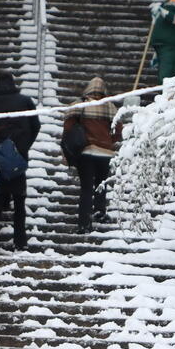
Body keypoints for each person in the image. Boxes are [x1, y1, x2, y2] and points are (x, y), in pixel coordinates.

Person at [0, 72, 41, 254]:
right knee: (19, 201)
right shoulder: (25, 101)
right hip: (18, 157)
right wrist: (23, 147)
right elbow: (36, 125)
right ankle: (20, 241)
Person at [63, 77, 122, 234]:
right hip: (105, 153)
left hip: (87, 152)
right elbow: (118, 131)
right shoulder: (110, 106)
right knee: (101, 184)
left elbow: (68, 126)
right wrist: (109, 140)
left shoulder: (81, 104)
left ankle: (84, 223)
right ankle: (100, 212)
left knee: (87, 187)